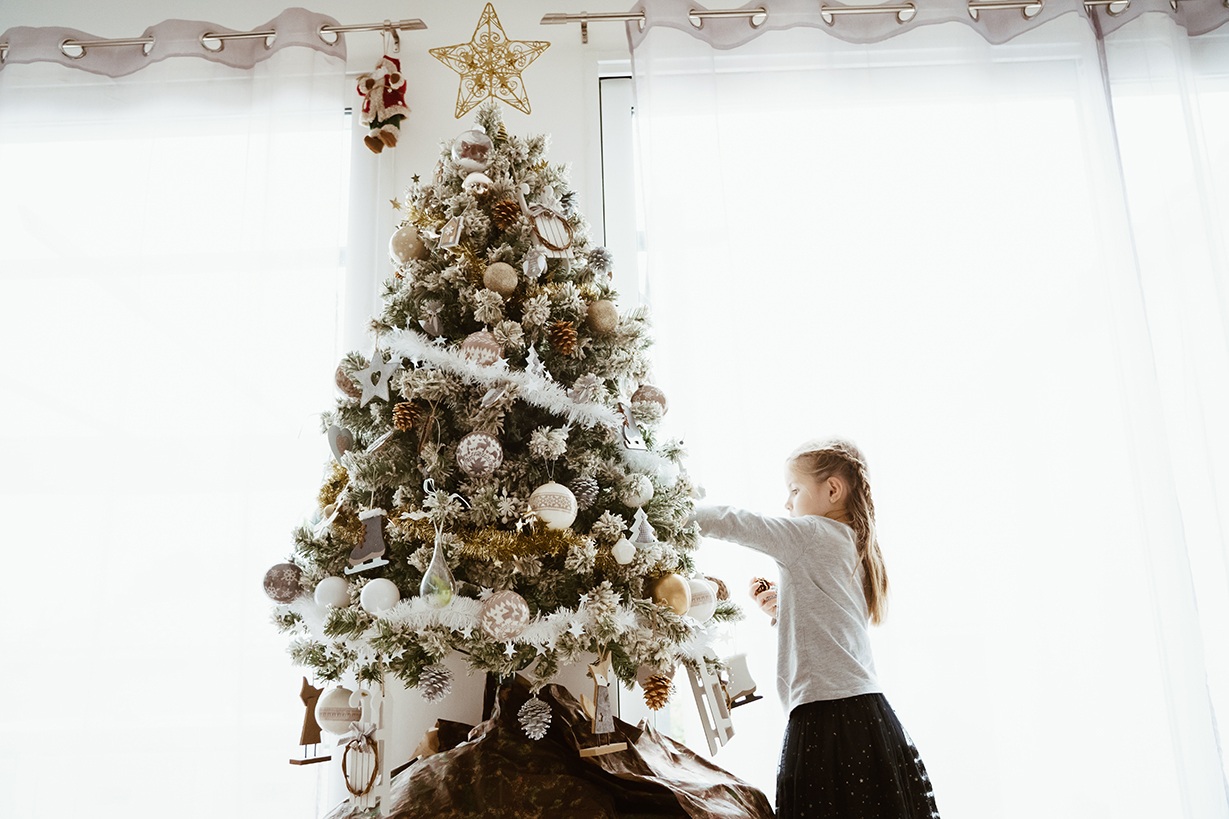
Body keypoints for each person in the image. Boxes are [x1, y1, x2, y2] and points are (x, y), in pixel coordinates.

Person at [693, 438, 939, 818]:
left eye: (794, 490)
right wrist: (784, 606)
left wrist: (667, 510)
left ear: (833, 490)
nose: (787, 503)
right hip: (866, 713)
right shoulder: (851, 542)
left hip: (830, 717)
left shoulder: (810, 534)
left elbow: (734, 521)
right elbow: (828, 621)